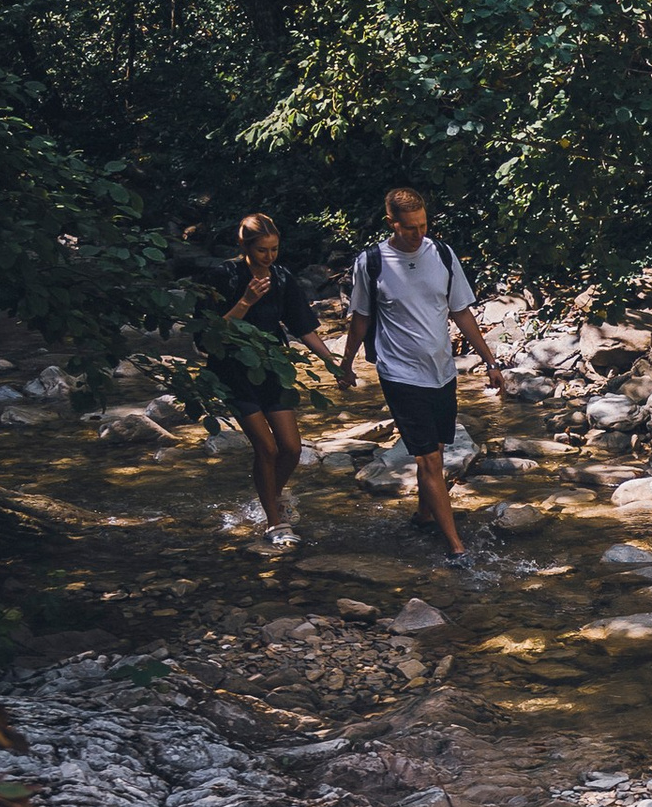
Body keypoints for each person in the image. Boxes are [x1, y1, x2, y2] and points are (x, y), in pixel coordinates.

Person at [336, 187, 505, 561]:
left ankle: (424, 516)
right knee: (429, 460)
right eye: (410, 228)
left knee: (438, 452)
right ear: (391, 223)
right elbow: (361, 317)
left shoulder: (442, 254)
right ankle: (456, 547)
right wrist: (346, 363)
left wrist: (490, 361)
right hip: (399, 373)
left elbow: (461, 312)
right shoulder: (372, 262)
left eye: (423, 225)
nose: (418, 234)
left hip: (442, 372)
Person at [203, 213, 342, 542]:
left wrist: (333, 363)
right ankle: (273, 521)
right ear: (245, 246)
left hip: (271, 367)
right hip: (233, 370)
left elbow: (303, 327)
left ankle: (268, 497)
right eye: (263, 250)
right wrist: (247, 300)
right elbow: (209, 336)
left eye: (275, 249)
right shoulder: (222, 276)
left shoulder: (282, 277)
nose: (269, 256)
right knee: (266, 448)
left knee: (291, 449)